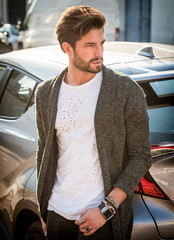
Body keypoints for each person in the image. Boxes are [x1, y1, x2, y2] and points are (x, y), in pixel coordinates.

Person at [35, 6, 151, 240]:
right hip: (57, 212)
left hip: (102, 217)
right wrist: (43, 209)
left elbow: (141, 155)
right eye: (90, 45)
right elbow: (44, 152)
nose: (99, 52)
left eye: (101, 43)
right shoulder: (46, 93)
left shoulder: (126, 91)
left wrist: (107, 208)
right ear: (67, 48)